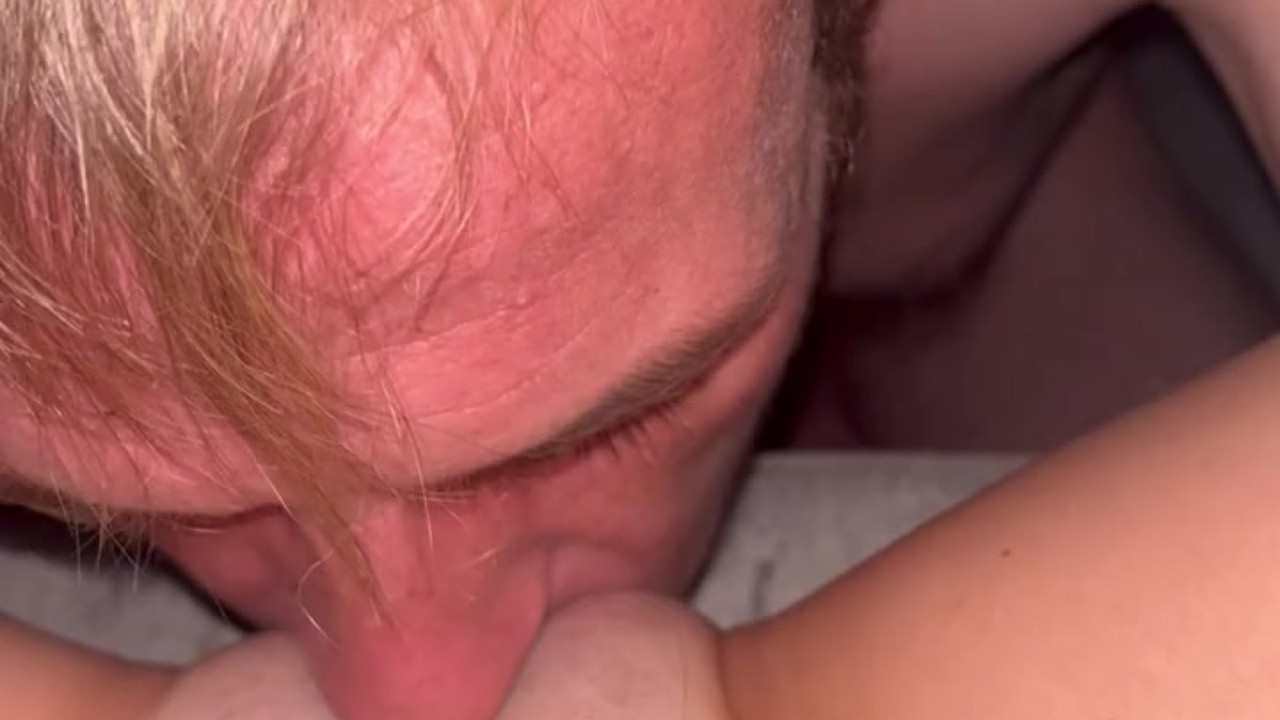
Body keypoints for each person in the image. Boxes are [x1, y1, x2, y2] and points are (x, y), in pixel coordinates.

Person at [0, 1, 1276, 720]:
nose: (428, 702)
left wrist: (735, 701)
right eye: (113, 510)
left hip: (983, 224)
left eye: (614, 423)